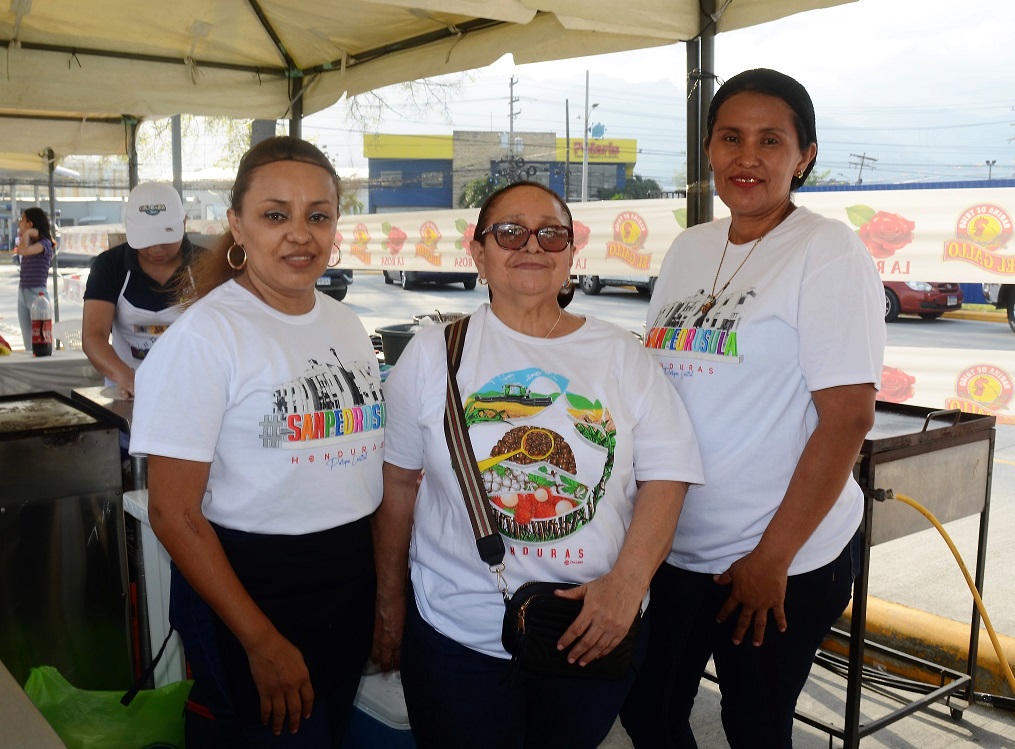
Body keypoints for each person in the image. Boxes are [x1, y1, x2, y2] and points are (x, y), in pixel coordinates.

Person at [374, 181, 704, 749]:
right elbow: (399, 484)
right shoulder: (434, 354)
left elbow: (667, 475)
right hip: (457, 634)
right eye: (509, 231)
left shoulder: (621, 355)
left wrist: (627, 586)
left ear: (572, 253)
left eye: (552, 233)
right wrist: (389, 602)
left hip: (590, 628)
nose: (532, 245)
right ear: (478, 254)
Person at [621, 69, 887, 748]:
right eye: (730, 137)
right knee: (646, 709)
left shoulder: (825, 250)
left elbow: (847, 417)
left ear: (804, 156)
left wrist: (771, 557)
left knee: (752, 725)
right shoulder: (689, 247)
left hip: (780, 559)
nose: (747, 156)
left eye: (771, 140)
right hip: (677, 546)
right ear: (707, 149)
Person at [130, 136, 384, 747]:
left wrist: (381, 599)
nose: (300, 233)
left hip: (346, 582)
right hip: (249, 590)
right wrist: (261, 641)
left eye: (317, 216)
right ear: (236, 227)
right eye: (276, 215)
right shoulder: (205, 337)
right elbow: (172, 511)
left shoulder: (346, 326)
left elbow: (359, 477)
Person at [82, 182, 195, 398]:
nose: (156, 249)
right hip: (128, 392)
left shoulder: (205, 265)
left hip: (191, 389)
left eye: (165, 237)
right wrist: (125, 376)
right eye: (147, 239)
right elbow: (93, 335)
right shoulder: (109, 266)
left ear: (183, 223)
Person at [15, 207, 55, 350]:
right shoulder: (31, 242)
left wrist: (26, 234)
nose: (20, 222)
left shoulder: (44, 244)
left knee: (41, 341)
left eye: (22, 220)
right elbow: (20, 249)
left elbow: (21, 251)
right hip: (23, 293)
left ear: (30, 224)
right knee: (28, 342)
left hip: (37, 295)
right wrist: (26, 235)